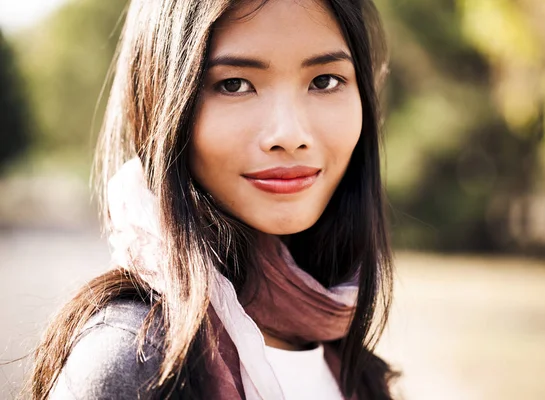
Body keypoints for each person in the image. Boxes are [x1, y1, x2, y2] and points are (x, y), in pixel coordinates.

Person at [30, 0, 398, 398]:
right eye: (234, 84)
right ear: (161, 99)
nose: (290, 134)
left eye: (325, 80)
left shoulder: (333, 340)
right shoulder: (131, 360)